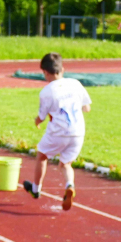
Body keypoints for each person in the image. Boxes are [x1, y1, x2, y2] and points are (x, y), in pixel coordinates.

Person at [23, 52, 91, 211]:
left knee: (41, 155)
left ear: (45, 72)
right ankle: (70, 185)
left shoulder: (46, 91)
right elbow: (87, 108)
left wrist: (36, 122)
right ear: (63, 69)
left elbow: (41, 117)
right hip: (78, 132)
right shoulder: (75, 83)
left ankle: (36, 189)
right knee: (66, 163)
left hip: (59, 132)